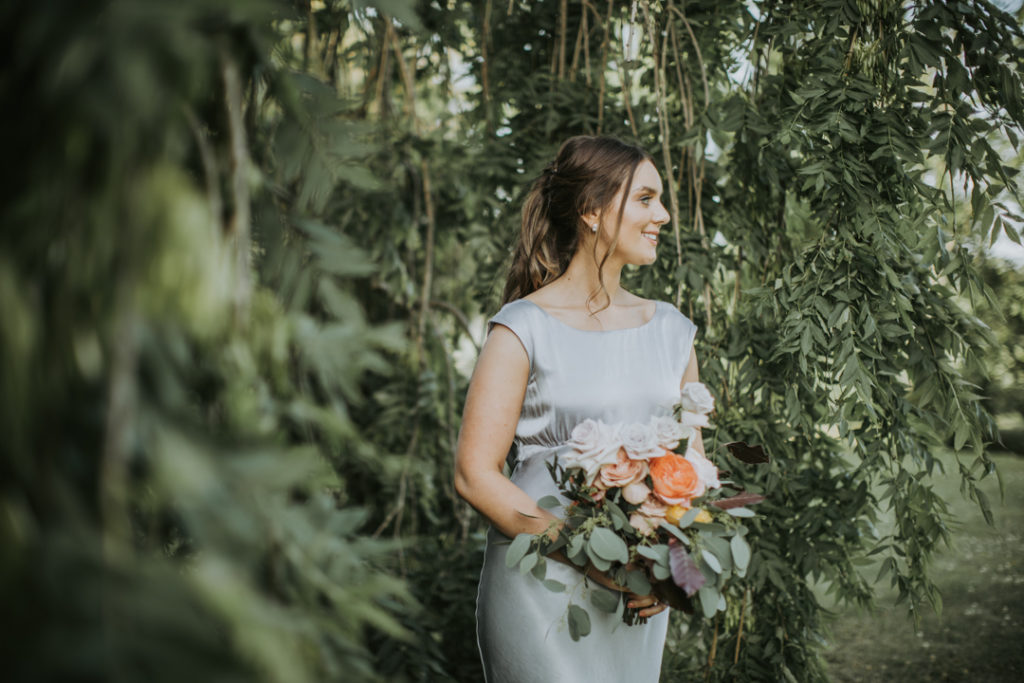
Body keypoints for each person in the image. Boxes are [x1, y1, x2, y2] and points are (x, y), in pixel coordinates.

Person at [454, 135, 704, 683]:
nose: (662, 214)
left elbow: (692, 474)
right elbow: (474, 475)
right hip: (540, 584)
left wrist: (670, 567)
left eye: (660, 200)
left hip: (635, 597)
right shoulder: (521, 326)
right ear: (592, 210)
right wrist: (594, 557)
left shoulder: (673, 332)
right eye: (645, 198)